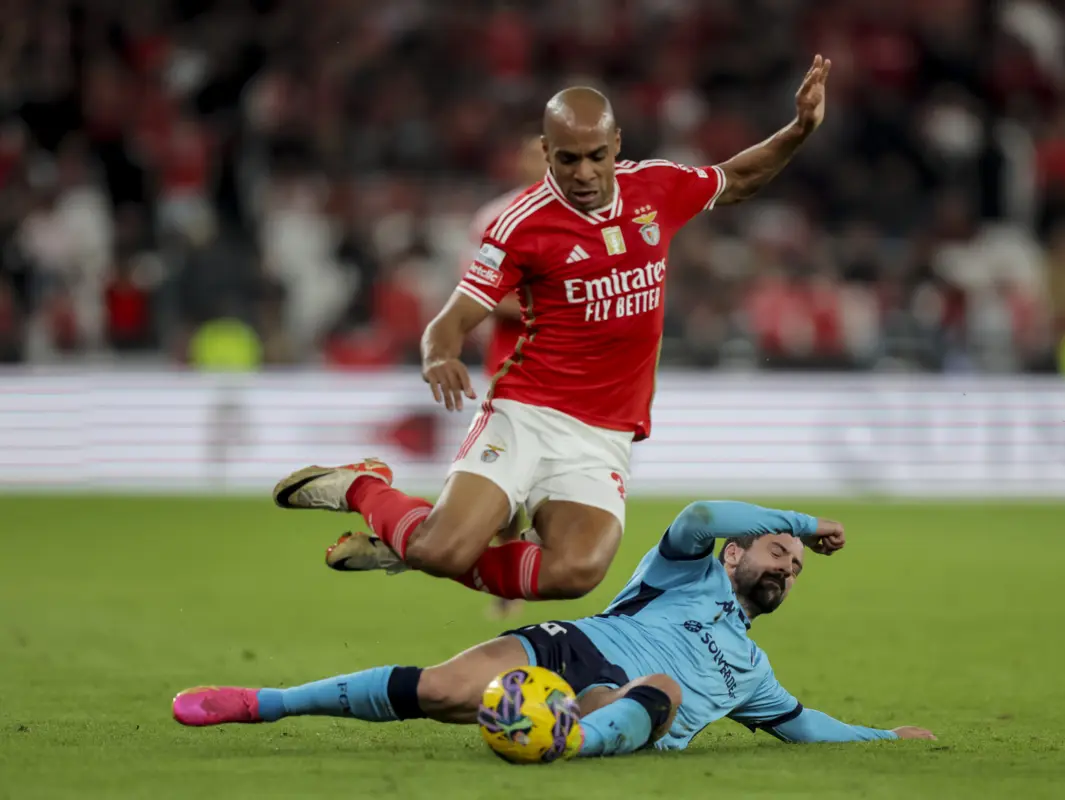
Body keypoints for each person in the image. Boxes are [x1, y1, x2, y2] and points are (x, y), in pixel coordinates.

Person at [273, 57, 834, 606]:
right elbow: (454, 316)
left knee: (576, 571)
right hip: (528, 413)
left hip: (603, 432)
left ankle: (409, 543)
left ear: (616, 145)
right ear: (546, 152)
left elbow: (738, 178)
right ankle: (364, 487)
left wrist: (800, 129)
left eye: (595, 156)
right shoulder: (518, 225)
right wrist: (438, 354)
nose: (584, 173)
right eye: (568, 159)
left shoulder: (657, 187)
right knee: (443, 550)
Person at [173, 500, 935, 756]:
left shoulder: (753, 674)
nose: (787, 568)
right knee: (438, 689)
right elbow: (702, 515)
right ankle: (264, 702)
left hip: (627, 698)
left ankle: (564, 739)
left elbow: (806, 727)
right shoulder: (683, 571)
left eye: (795, 567)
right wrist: (801, 521)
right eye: (776, 553)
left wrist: (883, 738)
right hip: (571, 644)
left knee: (659, 689)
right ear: (736, 553)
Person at [459, 132, 547, 620]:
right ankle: (509, 568)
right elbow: (480, 292)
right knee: (507, 472)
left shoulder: (590, 214)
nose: (541, 165)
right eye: (532, 156)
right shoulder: (494, 218)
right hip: (510, 362)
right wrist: (553, 305)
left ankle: (537, 562)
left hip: (571, 365)